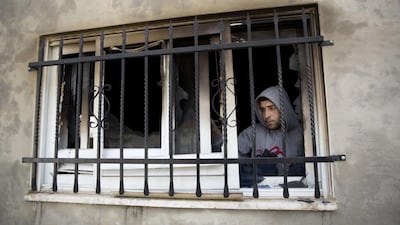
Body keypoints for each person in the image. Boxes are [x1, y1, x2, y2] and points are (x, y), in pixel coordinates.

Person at [238, 85, 304, 187]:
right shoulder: (254, 132)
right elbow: (231, 154)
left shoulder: (302, 134)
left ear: (284, 108)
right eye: (262, 109)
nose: (266, 115)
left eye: (271, 108)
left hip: (293, 192)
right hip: (258, 191)